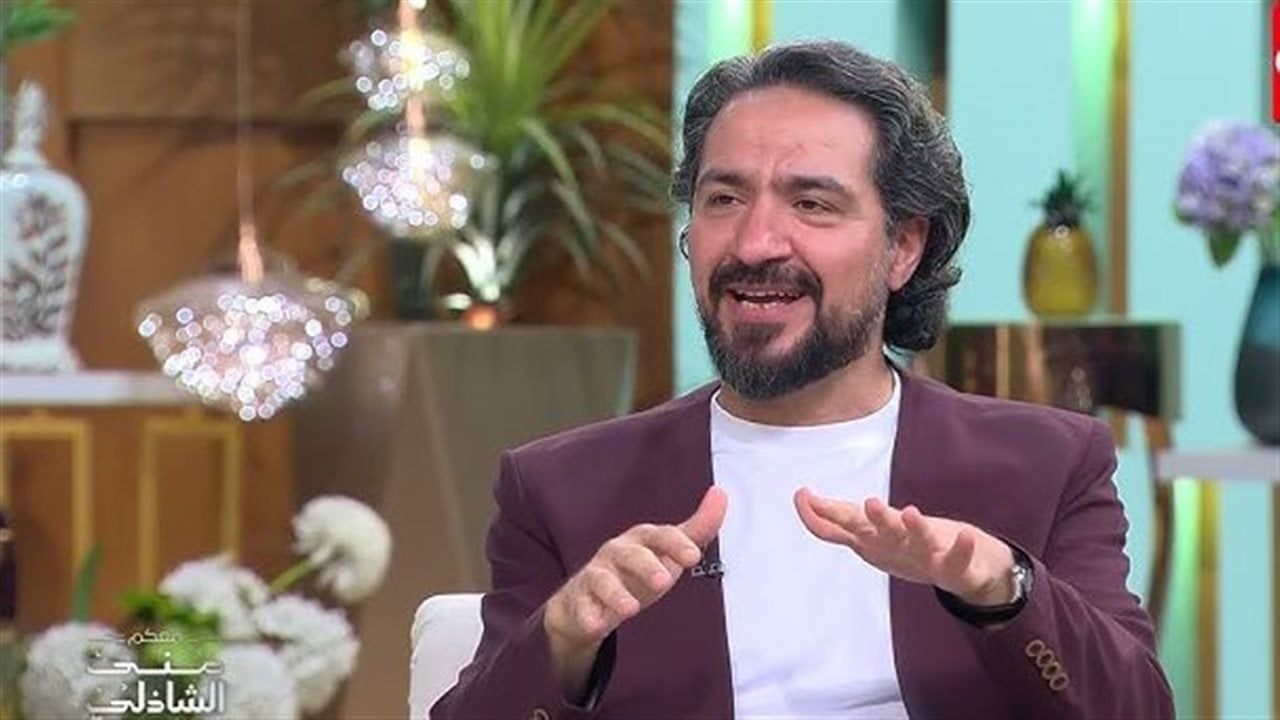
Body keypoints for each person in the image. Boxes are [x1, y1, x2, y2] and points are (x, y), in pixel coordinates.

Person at [430, 41, 1174, 719]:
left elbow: (1137, 710)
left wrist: (1004, 589)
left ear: (902, 248)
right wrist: (562, 643)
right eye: (724, 199)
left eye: (812, 204)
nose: (755, 243)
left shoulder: (1047, 465)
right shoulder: (562, 489)